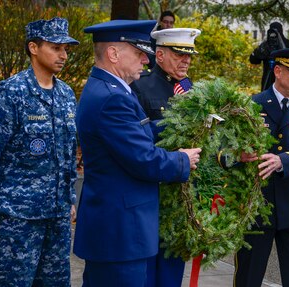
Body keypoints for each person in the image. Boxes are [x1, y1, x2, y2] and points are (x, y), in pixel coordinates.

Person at [73, 20, 202, 287]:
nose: (146, 59)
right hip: (120, 230)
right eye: (139, 52)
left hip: (117, 226)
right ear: (113, 54)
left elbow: (139, 130)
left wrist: (183, 127)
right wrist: (182, 160)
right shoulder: (112, 97)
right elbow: (143, 159)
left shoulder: (113, 89)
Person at [0, 17, 79, 286]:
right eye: (56, 48)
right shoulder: (11, 93)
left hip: (57, 216)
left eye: (66, 49)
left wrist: (70, 199)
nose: (63, 55)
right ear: (34, 47)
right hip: (18, 219)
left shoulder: (66, 94)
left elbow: (67, 155)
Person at [234, 47, 289, 287]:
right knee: (248, 277)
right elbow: (224, 148)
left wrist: (280, 161)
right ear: (278, 71)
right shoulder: (251, 105)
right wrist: (238, 155)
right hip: (258, 202)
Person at [130, 27, 201, 287]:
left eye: (189, 55)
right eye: (179, 55)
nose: (187, 60)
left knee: (172, 273)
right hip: (151, 193)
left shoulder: (190, 89)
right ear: (159, 55)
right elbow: (138, 140)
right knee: (146, 273)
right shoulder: (139, 85)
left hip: (179, 196)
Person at [249, 22, 289, 91]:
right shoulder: (266, 46)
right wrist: (260, 52)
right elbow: (253, 60)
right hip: (269, 82)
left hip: (285, 82)